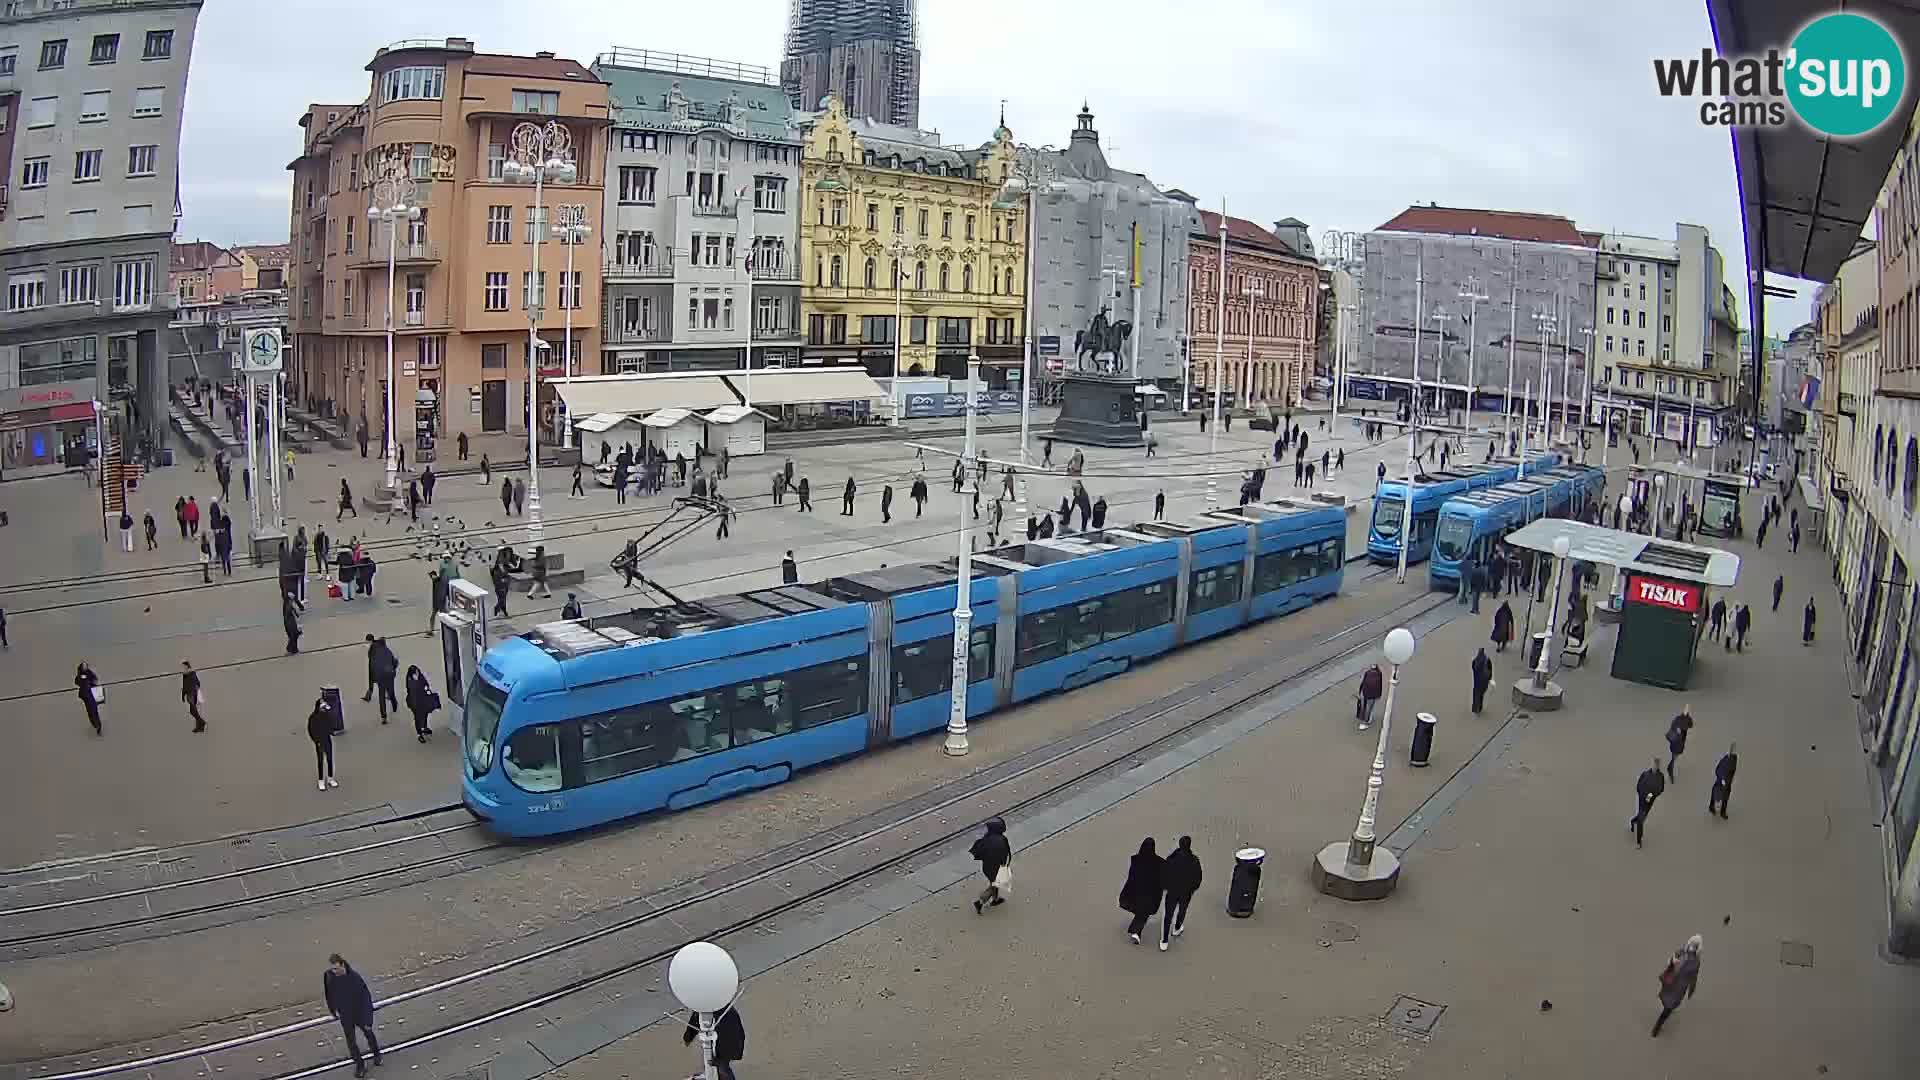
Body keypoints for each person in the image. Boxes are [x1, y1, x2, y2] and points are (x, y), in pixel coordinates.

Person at [322, 954, 380, 1076]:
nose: (334, 972)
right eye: (333, 969)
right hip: (345, 1014)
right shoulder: (329, 976)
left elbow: (365, 998)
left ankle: (376, 1053)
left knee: (368, 1033)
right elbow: (329, 993)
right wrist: (333, 1009)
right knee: (351, 1042)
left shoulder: (354, 978)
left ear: (342, 964)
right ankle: (360, 1065)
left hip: (358, 1013)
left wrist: (368, 1020)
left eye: (336, 969)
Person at [1651, 936, 1703, 1037]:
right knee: (1669, 1007)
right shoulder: (1695, 960)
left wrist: (1672, 961)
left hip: (1672, 983)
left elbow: (1672, 960)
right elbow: (1693, 977)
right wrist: (1691, 990)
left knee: (1667, 1003)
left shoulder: (1684, 951)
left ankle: (1657, 1026)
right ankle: (1657, 1027)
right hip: (1677, 987)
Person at [1118, 837, 1165, 945]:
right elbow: (1162, 879)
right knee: (1144, 913)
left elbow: (1131, 877)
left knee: (1140, 911)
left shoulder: (1136, 860)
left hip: (1136, 892)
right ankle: (1136, 931)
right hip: (1150, 894)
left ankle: (1135, 930)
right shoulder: (1160, 862)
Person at [680, 1003, 746, 1080]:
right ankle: (710, 1074)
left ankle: (712, 1075)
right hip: (734, 1042)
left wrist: (687, 1039)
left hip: (725, 1046)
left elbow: (695, 1021)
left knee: (721, 1067)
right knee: (720, 1065)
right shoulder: (724, 1005)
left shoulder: (703, 1008)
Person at [1159, 835, 1202, 951]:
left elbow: (1163, 875)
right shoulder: (1194, 860)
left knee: (1168, 915)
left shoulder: (1171, 859)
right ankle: (1177, 928)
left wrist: (1166, 887)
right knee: (1182, 911)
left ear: (1179, 844)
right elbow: (1198, 879)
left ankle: (1164, 940)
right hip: (1186, 893)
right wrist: (1192, 889)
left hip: (1172, 892)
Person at [970, 817, 1012, 913]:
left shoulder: (986, 838)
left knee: (994, 883)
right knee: (995, 885)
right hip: (997, 867)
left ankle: (995, 900)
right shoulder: (1001, 839)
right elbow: (1005, 854)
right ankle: (980, 902)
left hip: (987, 867)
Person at [1630, 757, 1666, 847]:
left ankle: (1633, 821)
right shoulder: (1645, 774)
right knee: (1641, 820)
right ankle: (1639, 841)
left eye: (1657, 765)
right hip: (1642, 799)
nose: (1655, 766)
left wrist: (1651, 795)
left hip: (1649, 800)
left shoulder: (1660, 777)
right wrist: (1642, 793)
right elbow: (1639, 785)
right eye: (1654, 764)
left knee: (1642, 816)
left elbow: (1660, 789)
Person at [308, 695, 337, 790]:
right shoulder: (313, 717)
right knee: (320, 761)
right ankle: (320, 780)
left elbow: (330, 723)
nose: (325, 709)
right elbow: (311, 730)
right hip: (319, 741)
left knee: (329, 759)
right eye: (323, 707)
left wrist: (331, 732)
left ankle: (330, 778)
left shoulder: (326, 715)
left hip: (327, 739)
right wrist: (316, 741)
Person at [405, 665, 438, 742]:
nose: (417, 673)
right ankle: (419, 734)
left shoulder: (420, 676)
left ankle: (424, 728)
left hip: (423, 700)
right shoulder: (410, 681)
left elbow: (425, 683)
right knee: (417, 718)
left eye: (417, 671)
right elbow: (412, 692)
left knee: (425, 714)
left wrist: (427, 688)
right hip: (415, 703)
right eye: (415, 672)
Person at [75, 662, 103, 735]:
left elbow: (95, 679)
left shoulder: (89, 673)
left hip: (91, 694)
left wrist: (90, 682)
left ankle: (98, 725)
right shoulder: (80, 674)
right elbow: (77, 681)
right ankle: (95, 724)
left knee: (94, 710)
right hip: (86, 695)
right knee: (90, 711)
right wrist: (84, 681)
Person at [181, 660, 206, 733]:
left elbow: (188, 684)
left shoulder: (190, 673)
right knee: (193, 710)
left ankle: (201, 722)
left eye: (183, 666)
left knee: (193, 709)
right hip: (191, 692)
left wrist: (186, 693)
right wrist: (183, 694)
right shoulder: (188, 673)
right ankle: (200, 725)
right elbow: (185, 684)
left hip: (191, 692)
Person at [1356, 663, 1383, 729]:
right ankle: (1366, 722)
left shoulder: (1367, 673)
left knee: (1363, 706)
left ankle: (1362, 720)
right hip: (1373, 694)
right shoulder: (1379, 674)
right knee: (1369, 707)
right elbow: (1380, 685)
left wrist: (1360, 692)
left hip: (1364, 692)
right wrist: (1379, 695)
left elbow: (1363, 682)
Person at [1471, 647, 1494, 714]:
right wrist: (1489, 678)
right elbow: (1490, 670)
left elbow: (1473, 668)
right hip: (1484, 682)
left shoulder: (1475, 660)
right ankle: (1480, 707)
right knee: (1481, 695)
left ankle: (1475, 708)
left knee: (1476, 695)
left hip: (1477, 681)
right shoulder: (1487, 660)